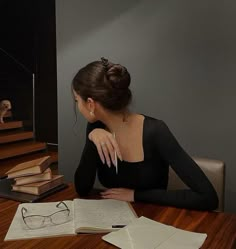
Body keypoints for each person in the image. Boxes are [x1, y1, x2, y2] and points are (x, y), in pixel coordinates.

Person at [72, 57, 218, 211]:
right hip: (113, 220)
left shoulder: (155, 131)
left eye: (77, 100)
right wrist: (92, 137)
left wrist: (136, 195)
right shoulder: (96, 128)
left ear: (90, 104)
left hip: (154, 221)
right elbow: (82, 188)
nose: (77, 106)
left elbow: (207, 198)